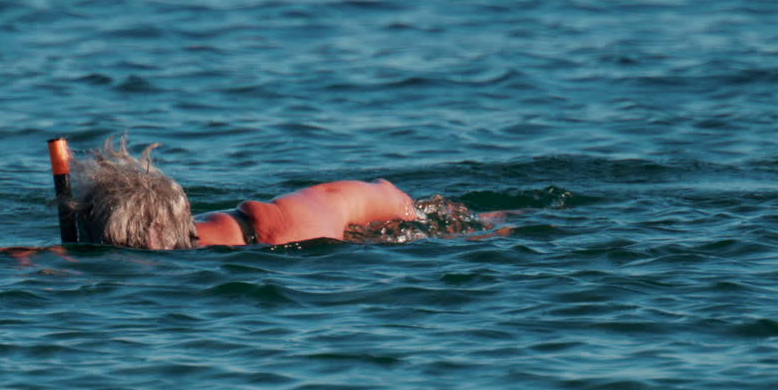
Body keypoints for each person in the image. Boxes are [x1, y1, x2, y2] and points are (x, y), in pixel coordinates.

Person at [68, 135, 494, 250]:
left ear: (156, 238)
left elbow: (381, 193)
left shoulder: (296, 223)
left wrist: (464, 229)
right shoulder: (170, 241)